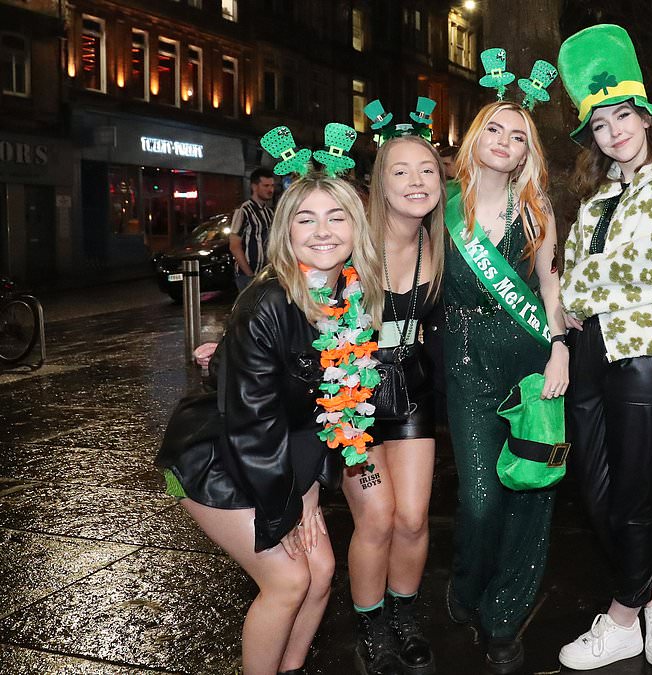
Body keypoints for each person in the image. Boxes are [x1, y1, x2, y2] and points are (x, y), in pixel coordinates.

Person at [157, 172, 384, 675]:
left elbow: (328, 413)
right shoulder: (268, 303)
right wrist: (282, 510)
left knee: (320, 569)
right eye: (306, 219)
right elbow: (252, 427)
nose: (322, 230)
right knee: (287, 581)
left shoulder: (347, 296)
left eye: (336, 216)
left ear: (356, 228)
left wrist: (305, 496)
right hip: (216, 457)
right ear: (286, 231)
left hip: (279, 454)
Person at [554, 25, 652, 670]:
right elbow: (573, 277)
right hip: (591, 352)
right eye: (601, 125)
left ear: (645, 117)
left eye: (622, 117)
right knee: (597, 488)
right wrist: (587, 283)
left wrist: (585, 284)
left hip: (644, 352)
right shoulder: (594, 199)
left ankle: (620, 617)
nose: (613, 133)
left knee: (637, 489)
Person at [441, 97, 568, 675]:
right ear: (474, 137)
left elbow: (550, 286)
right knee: (481, 498)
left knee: (529, 488)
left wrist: (560, 349)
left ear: (525, 154)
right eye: (493, 128)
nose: (504, 140)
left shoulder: (536, 208)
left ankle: (505, 614)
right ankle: (469, 586)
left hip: (530, 359)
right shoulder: (441, 209)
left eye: (517, 137)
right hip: (466, 360)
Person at [345, 133, 445, 675]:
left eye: (427, 171)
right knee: (378, 517)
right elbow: (289, 284)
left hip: (410, 387)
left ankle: (405, 615)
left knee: (411, 517)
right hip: (350, 392)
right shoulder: (352, 238)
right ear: (380, 183)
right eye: (401, 171)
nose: (415, 182)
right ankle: (371, 623)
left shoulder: (442, 242)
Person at [230, 167, 277, 290]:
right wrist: (250, 275)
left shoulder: (269, 212)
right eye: (266, 186)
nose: (270, 189)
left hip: (265, 274)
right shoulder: (244, 210)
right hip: (248, 276)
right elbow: (234, 245)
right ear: (254, 187)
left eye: (272, 186)